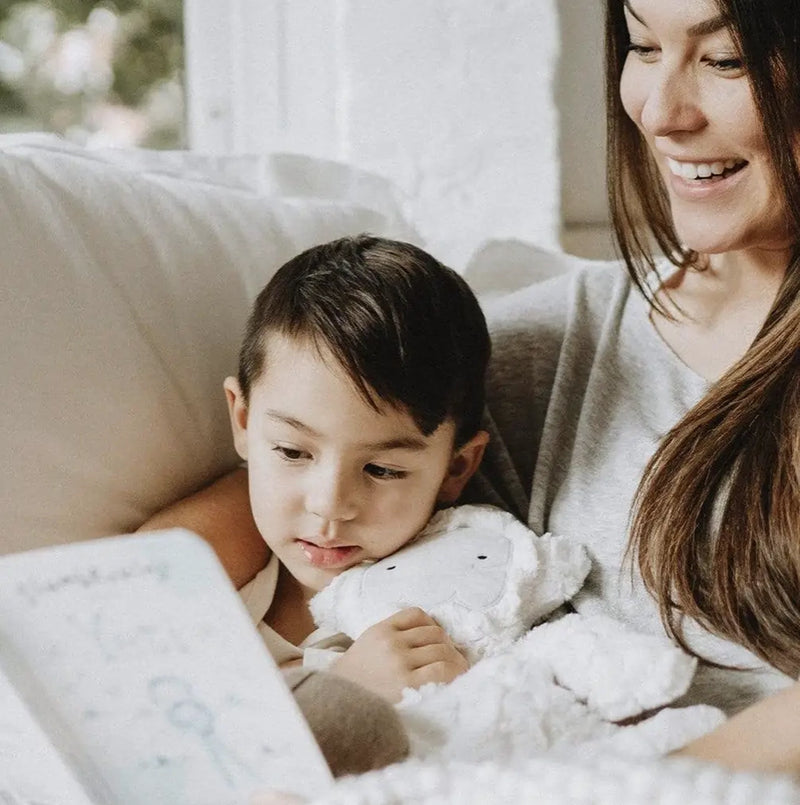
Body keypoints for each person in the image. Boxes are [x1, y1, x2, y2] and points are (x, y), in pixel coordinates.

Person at [141, 0, 800, 778]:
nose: (659, 112)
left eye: (725, 60)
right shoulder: (560, 343)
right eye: (642, 46)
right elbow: (327, 469)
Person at [143, 234, 491, 773]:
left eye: (382, 469)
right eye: (290, 451)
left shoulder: (463, 597)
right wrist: (339, 693)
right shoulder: (207, 565)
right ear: (241, 420)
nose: (330, 507)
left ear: (457, 468)